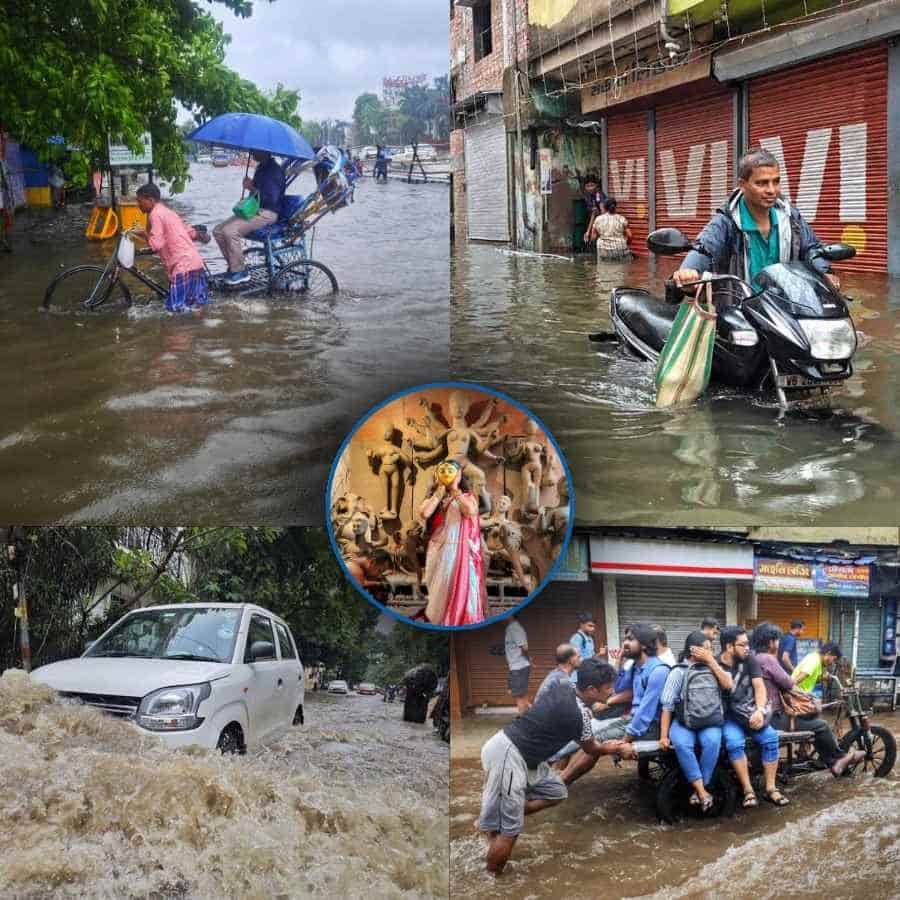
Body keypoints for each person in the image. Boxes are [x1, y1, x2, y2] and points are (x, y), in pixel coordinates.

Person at [477, 659, 620, 873]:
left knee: (557, 791)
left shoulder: (566, 687)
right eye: (608, 687)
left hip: (525, 756)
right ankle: (491, 879)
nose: (612, 691)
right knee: (510, 832)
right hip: (508, 754)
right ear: (591, 690)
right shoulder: (579, 714)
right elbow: (592, 749)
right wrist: (617, 748)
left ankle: (500, 814)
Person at [673, 147, 841, 293]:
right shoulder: (725, 223)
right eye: (762, 183)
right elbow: (703, 250)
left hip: (784, 311)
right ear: (742, 184)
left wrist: (824, 271)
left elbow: (812, 249)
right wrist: (688, 272)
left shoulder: (791, 218)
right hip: (740, 313)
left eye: (776, 182)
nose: (771, 190)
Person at [560, 623, 670, 784]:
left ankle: (561, 780)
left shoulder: (658, 670)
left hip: (649, 727)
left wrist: (625, 740)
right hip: (632, 721)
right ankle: (557, 772)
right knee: (590, 736)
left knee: (595, 741)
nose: (625, 642)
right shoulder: (637, 666)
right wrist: (620, 659)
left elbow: (645, 714)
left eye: (630, 639)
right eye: (625, 638)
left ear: (645, 644)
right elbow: (616, 687)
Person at [752, 622, 864, 778]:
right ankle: (837, 759)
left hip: (770, 712)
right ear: (771, 642)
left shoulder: (755, 658)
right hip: (774, 716)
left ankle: (813, 755)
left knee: (813, 720)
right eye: (777, 640)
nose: (779, 643)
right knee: (822, 725)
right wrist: (809, 697)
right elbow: (790, 683)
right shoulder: (768, 659)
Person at [659, 631, 732, 812]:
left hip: (711, 720)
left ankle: (699, 789)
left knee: (713, 742)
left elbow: (729, 686)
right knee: (682, 744)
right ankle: (701, 791)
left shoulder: (714, 668)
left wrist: (711, 661)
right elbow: (667, 705)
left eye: (711, 649)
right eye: (706, 649)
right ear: (693, 650)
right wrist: (663, 736)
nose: (710, 652)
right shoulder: (679, 671)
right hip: (684, 722)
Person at [717, 626, 782, 809]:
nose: (748, 647)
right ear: (729, 647)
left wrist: (760, 710)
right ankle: (748, 790)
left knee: (770, 738)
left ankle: (771, 788)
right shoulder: (715, 664)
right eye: (743, 644)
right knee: (734, 743)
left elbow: (759, 687)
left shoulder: (750, 659)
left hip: (750, 713)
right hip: (728, 717)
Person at [418, 459, 486, 626]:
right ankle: (439, 618)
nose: (446, 474)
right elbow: (425, 513)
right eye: (443, 470)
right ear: (436, 475)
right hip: (437, 547)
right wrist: (438, 493)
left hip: (459, 549)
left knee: (454, 582)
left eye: (451, 471)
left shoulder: (468, 497)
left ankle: (456, 618)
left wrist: (455, 490)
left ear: (458, 475)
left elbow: (470, 512)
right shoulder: (433, 497)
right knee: (437, 586)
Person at [133, 183, 210, 313]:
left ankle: (181, 333)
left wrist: (143, 235)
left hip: (182, 266)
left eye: (140, 201)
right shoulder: (168, 211)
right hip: (194, 262)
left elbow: (156, 245)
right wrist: (200, 236)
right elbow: (189, 232)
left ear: (150, 200)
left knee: (176, 311)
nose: (138, 205)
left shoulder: (155, 214)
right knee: (195, 307)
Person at [213, 150, 286, 286]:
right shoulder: (261, 167)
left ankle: (240, 272)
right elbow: (257, 193)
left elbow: (271, 199)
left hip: (268, 212)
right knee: (218, 231)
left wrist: (251, 187)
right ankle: (235, 267)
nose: (252, 152)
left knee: (230, 231)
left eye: (254, 150)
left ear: (265, 151)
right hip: (255, 209)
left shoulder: (274, 171)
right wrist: (251, 187)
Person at [505, 615, 531, 714]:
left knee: (519, 696)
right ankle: (531, 716)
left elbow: (524, 647)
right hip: (516, 667)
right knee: (521, 695)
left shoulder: (515, 627)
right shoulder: (510, 627)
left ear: (510, 615)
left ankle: (522, 721)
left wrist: (528, 659)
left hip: (519, 667)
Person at [569, 612, 602, 684]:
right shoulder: (577, 638)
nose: (592, 629)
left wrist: (600, 654)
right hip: (577, 678)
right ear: (581, 625)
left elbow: (591, 658)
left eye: (594, 626)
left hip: (586, 676)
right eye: (590, 626)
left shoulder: (589, 639)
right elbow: (574, 660)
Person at [582, 176, 607, 243]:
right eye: (588, 186)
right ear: (585, 187)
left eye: (592, 185)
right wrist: (588, 231)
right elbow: (594, 213)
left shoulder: (598, 195)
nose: (590, 188)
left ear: (596, 185)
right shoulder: (591, 196)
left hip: (603, 224)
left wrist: (592, 230)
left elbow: (603, 213)